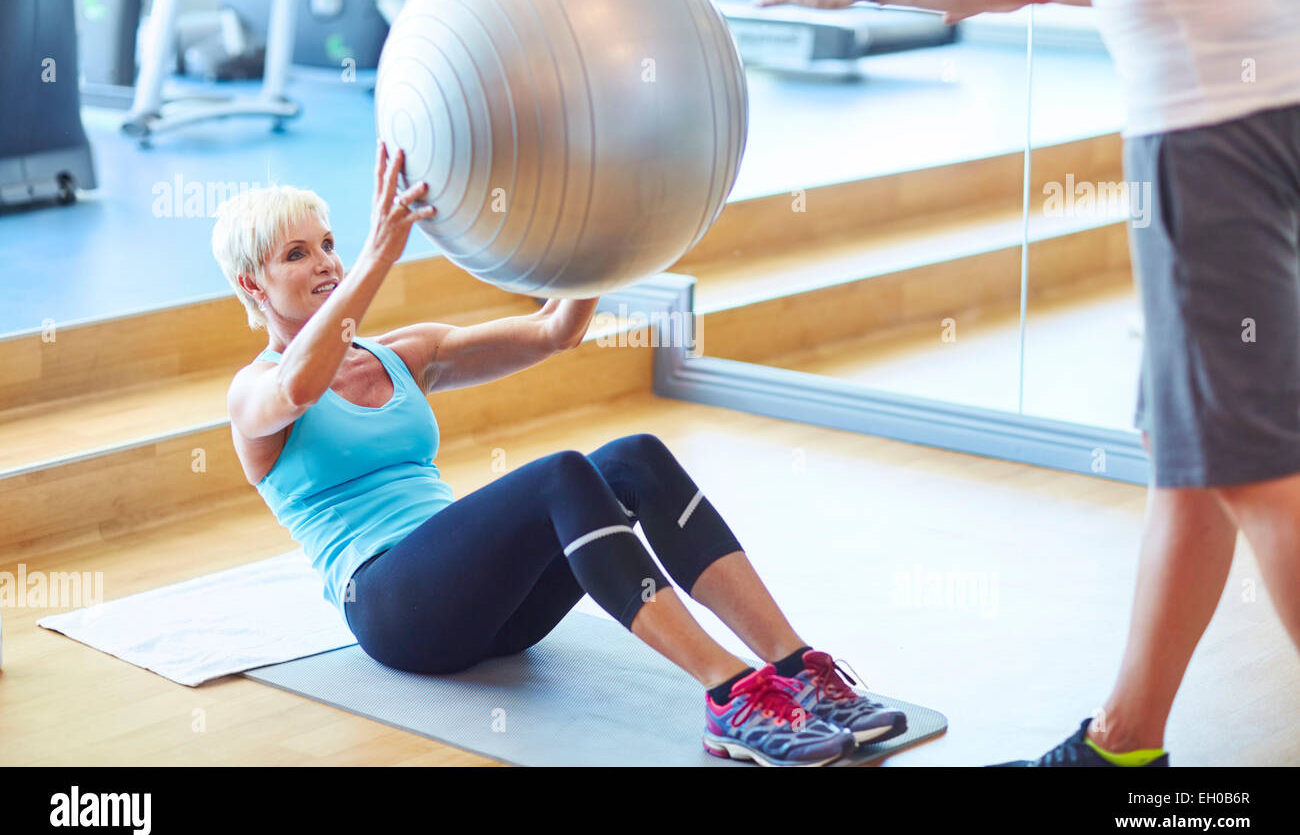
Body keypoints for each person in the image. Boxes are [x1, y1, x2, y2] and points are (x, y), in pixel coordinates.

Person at [748, 0, 1300, 766]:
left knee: (1258, 476)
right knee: (1192, 452)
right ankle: (1120, 748)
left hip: (1211, 132)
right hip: (1263, 106)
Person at [210, 140, 909, 767]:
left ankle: (795, 666)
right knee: (560, 477)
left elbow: (555, 330)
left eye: (328, 243)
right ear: (251, 284)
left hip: (493, 608)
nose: (326, 262)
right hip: (397, 610)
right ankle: (729, 693)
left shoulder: (401, 354)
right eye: (297, 254)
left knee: (633, 456)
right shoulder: (253, 393)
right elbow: (301, 383)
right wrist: (379, 255)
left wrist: (593, 239)